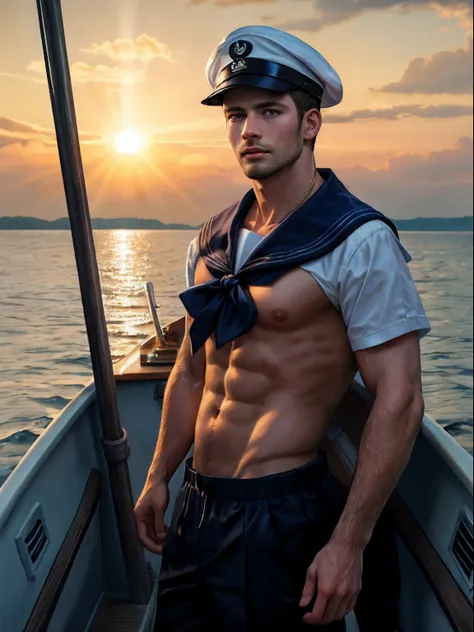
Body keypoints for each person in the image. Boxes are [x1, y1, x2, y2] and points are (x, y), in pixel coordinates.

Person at [134, 25, 431, 631]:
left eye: (270, 111)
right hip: (196, 507)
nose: (249, 130)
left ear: (311, 124)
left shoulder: (358, 241)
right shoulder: (210, 239)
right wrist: (158, 475)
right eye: (236, 114)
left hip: (282, 512)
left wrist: (349, 542)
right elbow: (193, 370)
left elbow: (399, 400)